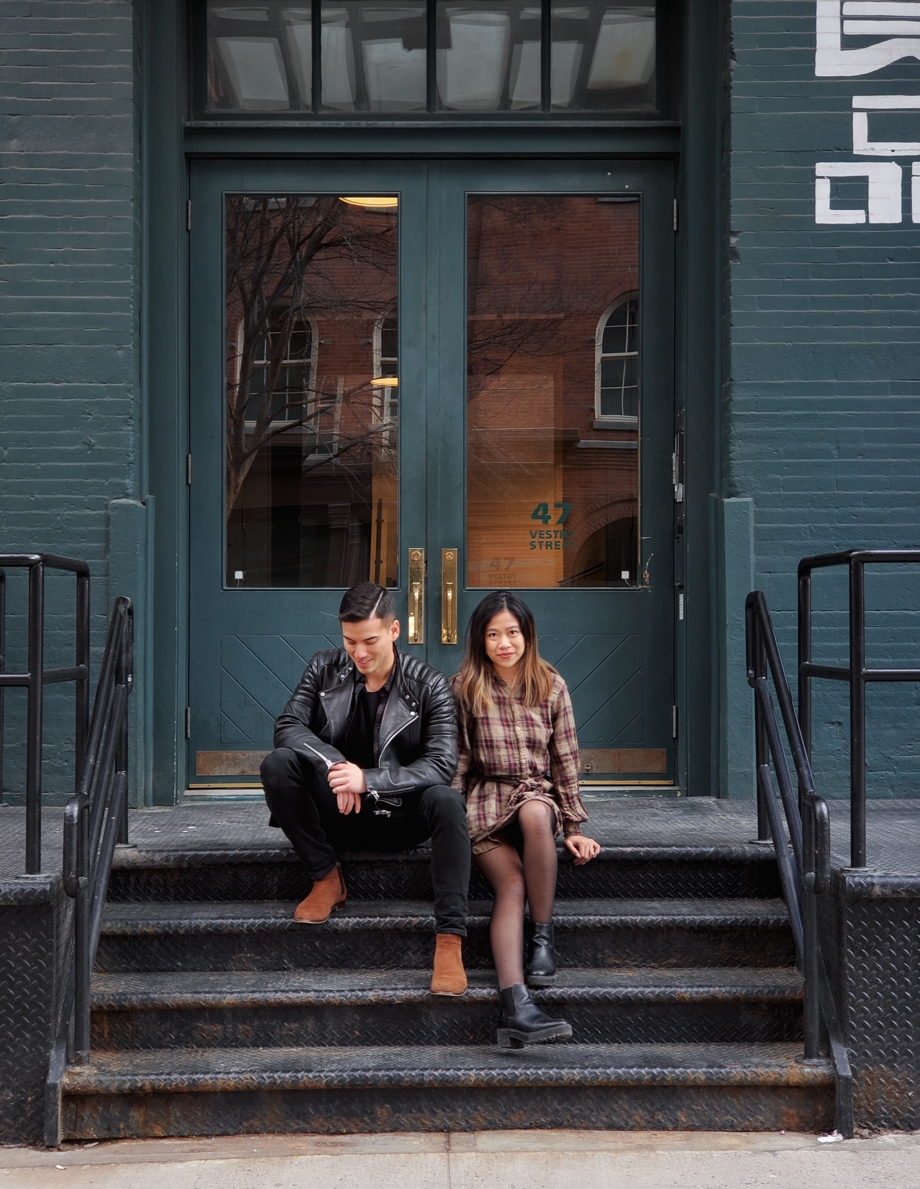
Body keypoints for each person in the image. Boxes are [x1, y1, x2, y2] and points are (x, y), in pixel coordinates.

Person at [261, 581, 470, 996]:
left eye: (370, 640)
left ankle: (450, 940)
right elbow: (288, 726)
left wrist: (369, 779)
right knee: (278, 765)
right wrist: (337, 767)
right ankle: (326, 877)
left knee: (446, 801)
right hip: (335, 816)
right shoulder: (324, 667)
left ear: (394, 631)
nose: (359, 653)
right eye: (350, 640)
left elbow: (442, 765)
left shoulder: (429, 685)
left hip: (402, 816)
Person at [452, 590, 601, 1048]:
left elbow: (565, 760)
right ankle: (516, 1007)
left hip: (533, 795)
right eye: (493, 634)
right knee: (510, 885)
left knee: (538, 813)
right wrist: (450, 826)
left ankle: (542, 936)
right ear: (480, 640)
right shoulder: (465, 687)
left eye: (512, 633)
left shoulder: (550, 686)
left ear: (527, 635)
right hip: (485, 802)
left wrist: (574, 828)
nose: (504, 643)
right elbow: (456, 762)